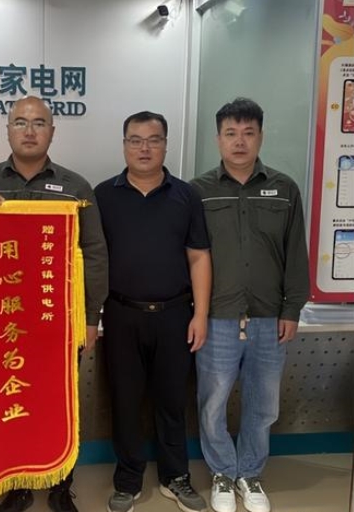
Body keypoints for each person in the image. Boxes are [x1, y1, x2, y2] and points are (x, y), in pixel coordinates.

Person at [0, 96, 109, 512]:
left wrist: (91, 318)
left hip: (57, 322)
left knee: (59, 406)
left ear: (52, 132)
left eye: (39, 123)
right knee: (8, 403)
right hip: (0, 325)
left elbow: (94, 253)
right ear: (7, 130)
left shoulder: (76, 187)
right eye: (20, 122)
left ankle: (61, 485)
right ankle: (18, 485)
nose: (29, 131)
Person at [190, 98, 309, 512]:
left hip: (269, 318)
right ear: (218, 138)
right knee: (213, 401)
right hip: (217, 318)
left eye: (248, 133)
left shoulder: (285, 189)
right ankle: (223, 471)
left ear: (260, 136)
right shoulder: (198, 191)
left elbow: (296, 254)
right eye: (231, 133)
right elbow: (190, 256)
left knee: (263, 404)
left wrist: (292, 309)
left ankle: (250, 474)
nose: (239, 142)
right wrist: (196, 312)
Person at [94, 111, 211, 512]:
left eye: (153, 139)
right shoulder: (103, 196)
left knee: (171, 400)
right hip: (121, 315)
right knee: (125, 401)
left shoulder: (186, 196)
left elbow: (199, 256)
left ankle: (175, 477)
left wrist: (200, 315)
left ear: (165, 144)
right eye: (135, 140)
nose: (144, 148)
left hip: (175, 314)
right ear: (124, 145)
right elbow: (90, 257)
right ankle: (127, 480)